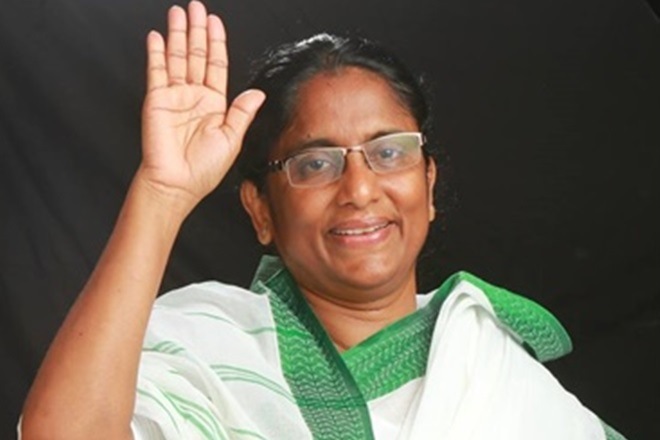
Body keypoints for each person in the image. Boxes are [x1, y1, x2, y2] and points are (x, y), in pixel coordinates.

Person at [19, 2, 626, 439]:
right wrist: (162, 195)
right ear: (260, 209)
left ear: (428, 185)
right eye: (315, 163)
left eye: (389, 152)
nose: (359, 189)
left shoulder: (487, 363)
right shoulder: (206, 347)